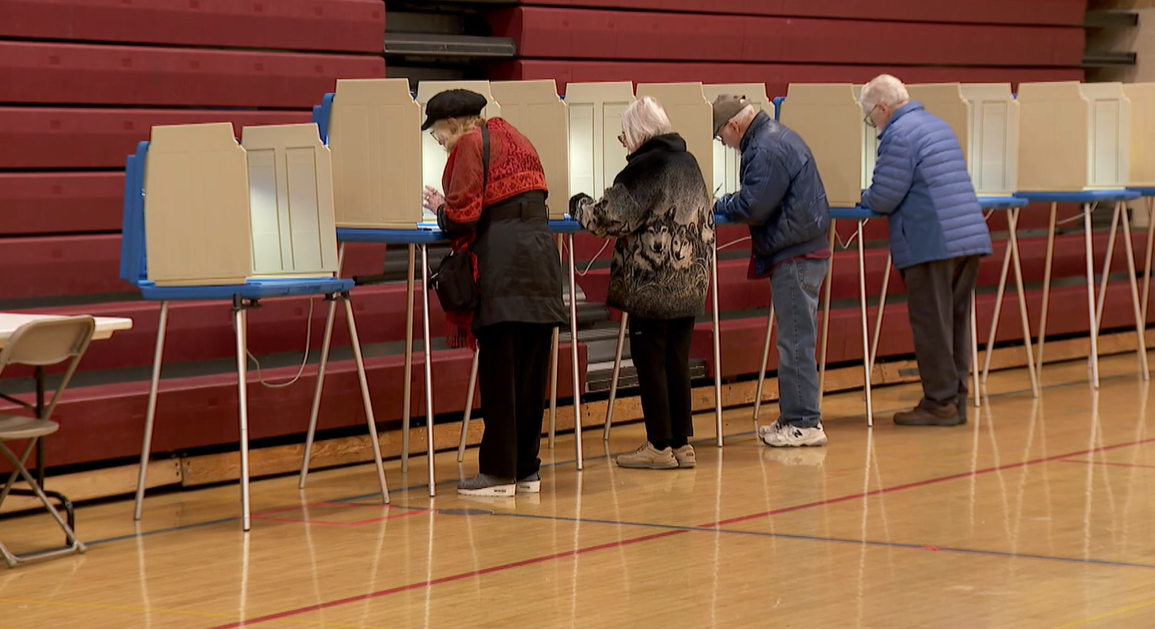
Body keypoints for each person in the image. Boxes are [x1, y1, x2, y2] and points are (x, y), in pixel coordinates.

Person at [421, 89, 567, 495]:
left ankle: (499, 473)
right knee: (531, 372)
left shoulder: (469, 144)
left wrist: (439, 209)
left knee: (500, 372)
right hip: (540, 260)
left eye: (436, 132)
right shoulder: (517, 137)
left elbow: (464, 214)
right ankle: (527, 469)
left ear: (453, 124)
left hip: (502, 265)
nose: (436, 141)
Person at [569, 97, 714, 470]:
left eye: (624, 137)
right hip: (690, 279)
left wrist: (578, 203)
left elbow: (608, 218)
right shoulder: (689, 161)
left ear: (638, 133)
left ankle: (658, 446)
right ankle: (682, 444)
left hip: (652, 284)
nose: (625, 144)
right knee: (677, 360)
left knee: (650, 361)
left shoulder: (645, 167)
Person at [857, 74, 992, 426]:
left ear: (883, 108)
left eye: (872, 117)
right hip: (967, 238)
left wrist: (862, 196)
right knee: (955, 323)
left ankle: (940, 403)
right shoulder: (936, 125)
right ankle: (954, 399)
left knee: (932, 324)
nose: (874, 125)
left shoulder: (899, 134)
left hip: (931, 240)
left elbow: (886, 195)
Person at [711, 94, 831, 448]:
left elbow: (754, 205)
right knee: (795, 338)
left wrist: (721, 203)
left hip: (795, 256)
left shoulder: (763, 148)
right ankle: (793, 417)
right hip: (804, 250)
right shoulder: (777, 137)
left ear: (734, 125)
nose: (724, 144)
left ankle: (805, 422)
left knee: (794, 340)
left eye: (721, 137)